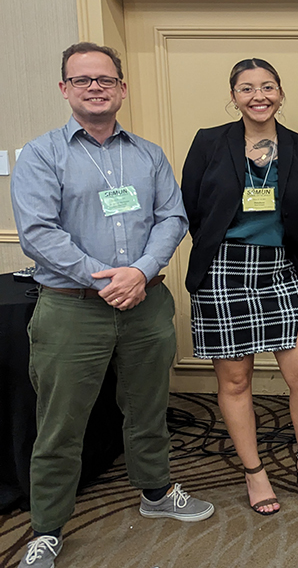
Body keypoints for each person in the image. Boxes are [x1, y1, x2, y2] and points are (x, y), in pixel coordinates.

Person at [10, 43, 214, 568]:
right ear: (64, 90)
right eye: (82, 80)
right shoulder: (41, 154)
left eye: (105, 79)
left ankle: (156, 492)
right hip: (71, 307)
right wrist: (105, 280)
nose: (95, 87)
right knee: (60, 422)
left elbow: (172, 217)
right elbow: (37, 233)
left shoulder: (147, 153)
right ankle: (47, 527)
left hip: (145, 304)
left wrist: (140, 272)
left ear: (122, 88)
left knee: (147, 407)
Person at [182, 58, 298, 515]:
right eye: (246, 88)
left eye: (267, 87)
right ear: (234, 97)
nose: (258, 96)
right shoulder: (209, 142)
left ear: (281, 94)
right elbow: (192, 207)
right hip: (224, 269)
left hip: (281, 266)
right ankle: (254, 472)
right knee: (237, 379)